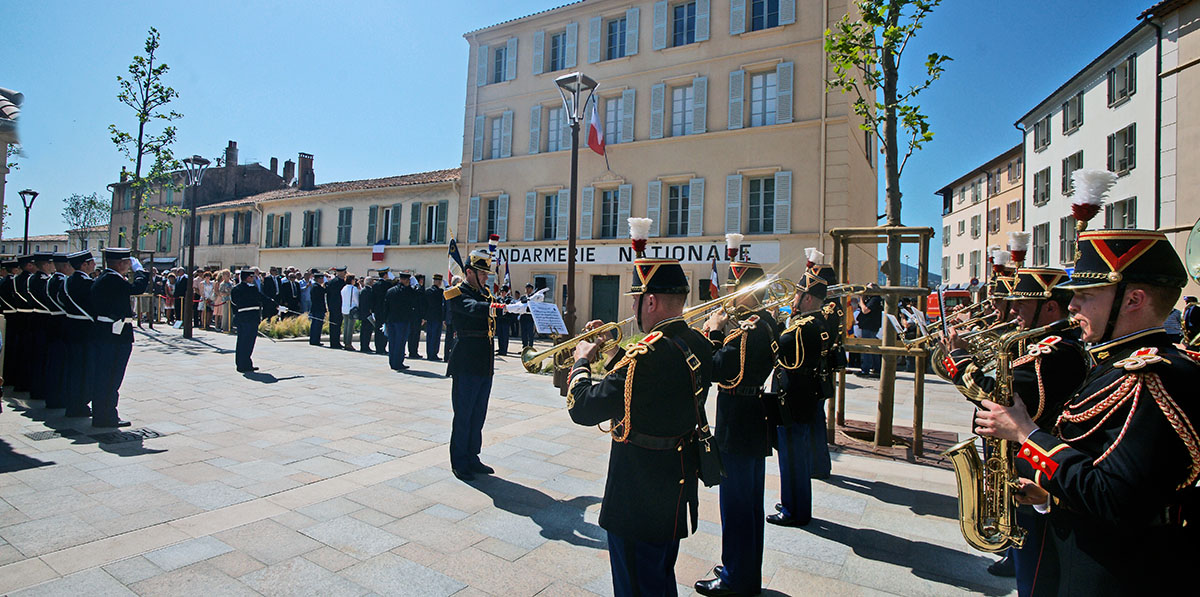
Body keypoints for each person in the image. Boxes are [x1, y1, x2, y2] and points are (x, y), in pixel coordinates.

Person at [975, 229, 1200, 596]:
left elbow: (1115, 498)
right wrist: (1050, 496)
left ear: (1134, 299)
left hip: (1118, 572)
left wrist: (1026, 434)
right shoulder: (1114, 365)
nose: (1073, 306)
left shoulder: (1152, 377)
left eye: (1085, 295)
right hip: (1088, 554)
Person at [566, 224, 714, 597]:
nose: (632, 309)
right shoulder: (697, 341)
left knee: (635, 584)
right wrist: (614, 351)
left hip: (636, 494)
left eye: (635, 300)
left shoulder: (643, 357)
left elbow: (583, 408)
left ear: (650, 302)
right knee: (659, 578)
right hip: (676, 482)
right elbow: (647, 389)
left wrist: (582, 362)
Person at [944, 266, 1091, 590]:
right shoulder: (1037, 346)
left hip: (1035, 473)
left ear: (1050, 308)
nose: (1011, 312)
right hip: (1024, 466)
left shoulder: (1053, 354)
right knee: (1027, 560)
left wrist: (958, 358)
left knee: (1035, 577)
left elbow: (995, 398)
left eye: (1020, 304)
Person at [693, 259, 778, 597]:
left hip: (737, 423)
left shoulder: (748, 330)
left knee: (737, 508)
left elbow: (719, 369)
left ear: (746, 290)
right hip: (752, 418)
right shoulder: (768, 322)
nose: (729, 296)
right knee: (750, 506)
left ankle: (735, 578)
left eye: (734, 289)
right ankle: (745, 571)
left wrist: (714, 332)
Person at [769, 265, 832, 529]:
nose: (792, 299)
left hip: (794, 400)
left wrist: (771, 320)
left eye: (796, 295)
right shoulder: (821, 322)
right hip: (806, 396)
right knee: (796, 456)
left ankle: (795, 510)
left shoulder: (802, 327)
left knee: (792, 458)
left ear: (807, 298)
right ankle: (792, 502)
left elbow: (776, 347)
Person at [445, 251, 504, 481]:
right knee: (464, 413)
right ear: (469, 272)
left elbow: (490, 308)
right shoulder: (456, 292)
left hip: (484, 362)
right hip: (466, 361)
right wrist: (499, 308)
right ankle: (459, 462)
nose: (486, 278)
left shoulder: (486, 293)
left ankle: (472, 456)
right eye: (482, 273)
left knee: (478, 413)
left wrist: (518, 306)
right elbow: (471, 308)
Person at [90, 248, 150, 427]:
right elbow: (136, 288)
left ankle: (104, 414)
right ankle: (105, 416)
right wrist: (141, 272)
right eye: (127, 262)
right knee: (111, 376)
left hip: (109, 331)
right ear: (119, 263)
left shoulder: (105, 278)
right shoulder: (111, 278)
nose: (129, 265)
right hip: (114, 334)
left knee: (106, 376)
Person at [62, 250, 97, 418]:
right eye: (92, 262)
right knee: (84, 370)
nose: (94, 265)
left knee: (74, 368)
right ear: (85, 264)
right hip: (85, 330)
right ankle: (79, 404)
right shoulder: (86, 283)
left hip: (72, 327)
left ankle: (72, 402)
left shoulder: (68, 281)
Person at [230, 268, 274, 372]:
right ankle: (241, 365)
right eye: (252, 277)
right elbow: (235, 304)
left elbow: (262, 298)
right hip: (245, 318)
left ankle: (247, 364)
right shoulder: (239, 289)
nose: (253, 278)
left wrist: (275, 305)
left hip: (251, 318)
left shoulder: (251, 288)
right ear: (247, 277)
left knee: (249, 342)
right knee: (244, 342)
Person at [384, 272, 416, 370]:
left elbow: (385, 306)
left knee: (392, 342)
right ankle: (398, 362)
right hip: (403, 320)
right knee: (400, 342)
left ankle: (392, 362)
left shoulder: (390, 291)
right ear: (406, 280)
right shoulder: (408, 292)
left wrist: (386, 319)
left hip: (391, 320)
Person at [856, 292, 883, 377]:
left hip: (870, 327)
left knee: (867, 348)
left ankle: (866, 369)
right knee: (872, 348)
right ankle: (876, 369)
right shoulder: (872, 299)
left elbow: (865, 310)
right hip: (869, 326)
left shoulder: (875, 299)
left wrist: (861, 300)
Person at [424, 274, 445, 361]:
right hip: (437, 317)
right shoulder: (439, 292)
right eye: (439, 281)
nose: (439, 283)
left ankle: (430, 354)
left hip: (430, 317)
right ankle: (433, 354)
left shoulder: (428, 291)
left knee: (431, 336)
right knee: (435, 337)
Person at [325, 266, 347, 349]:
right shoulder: (340, 282)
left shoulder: (331, 282)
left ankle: (334, 342)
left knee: (335, 325)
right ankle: (335, 343)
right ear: (340, 273)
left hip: (334, 306)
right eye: (344, 272)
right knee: (336, 325)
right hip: (338, 306)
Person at [373, 268, 392, 355]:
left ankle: (378, 348)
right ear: (385, 275)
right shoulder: (387, 285)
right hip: (385, 310)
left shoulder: (375, 285)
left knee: (377, 329)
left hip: (377, 310)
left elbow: (372, 299)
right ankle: (383, 347)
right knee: (384, 329)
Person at [407, 273, 425, 359]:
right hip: (416, 316)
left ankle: (413, 351)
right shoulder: (417, 290)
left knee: (413, 334)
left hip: (413, 316)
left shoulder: (412, 290)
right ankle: (413, 352)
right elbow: (421, 303)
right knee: (414, 334)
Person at [340, 274, 360, 350]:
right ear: (352, 280)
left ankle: (345, 342)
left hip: (344, 309)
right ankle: (348, 343)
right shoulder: (354, 289)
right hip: (351, 309)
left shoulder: (343, 288)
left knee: (345, 326)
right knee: (350, 328)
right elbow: (356, 300)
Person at [308, 270, 326, 346]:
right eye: (321, 279)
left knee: (315, 325)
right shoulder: (317, 287)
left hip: (316, 308)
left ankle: (314, 340)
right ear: (318, 279)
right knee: (317, 325)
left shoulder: (315, 287)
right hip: (318, 309)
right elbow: (324, 291)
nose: (322, 280)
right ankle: (315, 340)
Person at [494, 285, 513, 356]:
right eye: (501, 292)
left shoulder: (509, 299)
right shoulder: (498, 299)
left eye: (503, 292)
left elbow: (511, 307)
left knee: (505, 335)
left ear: (506, 292)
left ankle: (504, 350)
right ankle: (500, 349)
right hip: (499, 319)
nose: (502, 293)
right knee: (500, 335)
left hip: (506, 319)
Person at [520, 283, 537, 350]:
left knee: (530, 333)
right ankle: (524, 347)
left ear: (532, 289)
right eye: (526, 288)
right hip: (523, 316)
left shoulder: (533, 297)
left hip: (530, 316)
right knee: (523, 333)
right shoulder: (523, 297)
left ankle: (530, 347)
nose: (527, 289)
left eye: (529, 288)